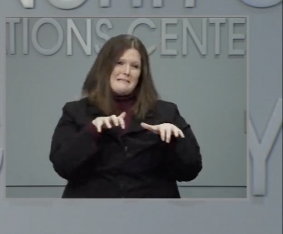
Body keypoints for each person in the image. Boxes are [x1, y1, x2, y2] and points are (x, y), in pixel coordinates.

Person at [49, 34, 202, 198]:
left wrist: (174, 141)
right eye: (119, 63)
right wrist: (91, 131)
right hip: (91, 215)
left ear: (142, 74)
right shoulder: (76, 111)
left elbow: (191, 170)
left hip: (153, 216)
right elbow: (62, 165)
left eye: (135, 66)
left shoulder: (166, 112)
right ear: (104, 67)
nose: (126, 71)